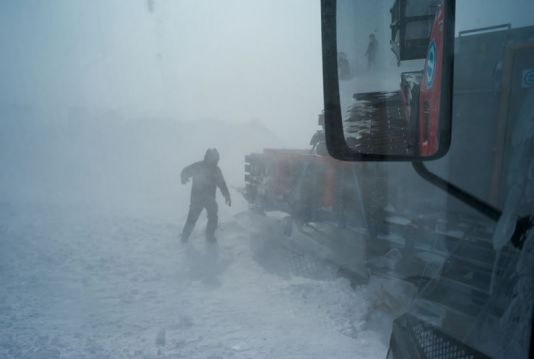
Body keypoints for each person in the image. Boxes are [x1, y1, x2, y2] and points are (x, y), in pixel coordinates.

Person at [180, 149, 231, 242]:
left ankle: (209, 235)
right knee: (192, 218)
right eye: (214, 159)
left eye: (217, 160)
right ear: (208, 158)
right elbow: (185, 171)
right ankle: (184, 237)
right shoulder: (198, 166)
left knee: (213, 217)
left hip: (210, 199)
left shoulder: (216, 170)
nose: (216, 162)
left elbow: (222, 184)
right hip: (197, 199)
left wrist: (227, 196)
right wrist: (183, 178)